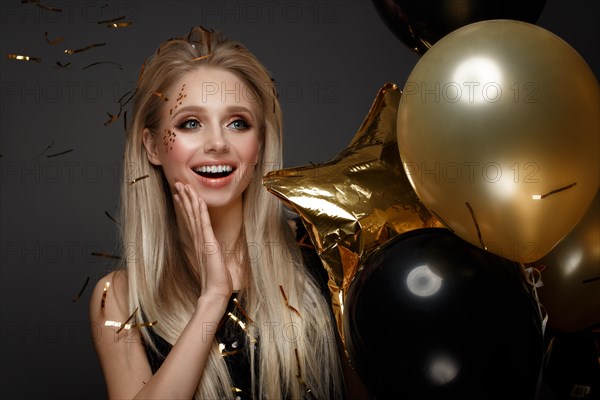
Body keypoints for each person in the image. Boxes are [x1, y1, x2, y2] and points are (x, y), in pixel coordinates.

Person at [89, 26, 366, 399]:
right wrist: (214, 298)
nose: (218, 143)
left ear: (260, 144)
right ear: (152, 146)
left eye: (238, 123)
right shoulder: (118, 297)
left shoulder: (322, 249)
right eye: (190, 123)